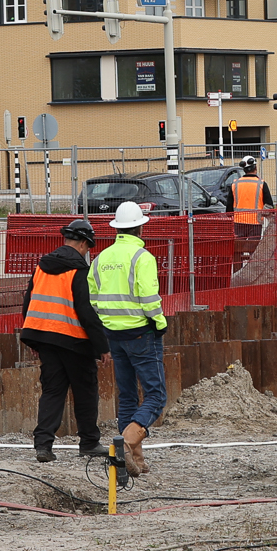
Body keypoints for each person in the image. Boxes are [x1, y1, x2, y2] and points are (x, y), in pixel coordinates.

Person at [20, 218, 109, 463]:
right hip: (74, 341)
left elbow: (29, 303)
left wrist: (34, 341)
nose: (87, 253)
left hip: (44, 338)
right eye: (87, 248)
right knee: (85, 391)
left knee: (52, 391)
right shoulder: (78, 269)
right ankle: (89, 442)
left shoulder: (42, 266)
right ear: (83, 243)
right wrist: (102, 347)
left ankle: (43, 446)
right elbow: (85, 310)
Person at [90, 201, 167, 475]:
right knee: (156, 396)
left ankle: (135, 460)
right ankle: (126, 443)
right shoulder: (141, 257)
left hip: (113, 334)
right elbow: (149, 298)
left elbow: (94, 299)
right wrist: (159, 323)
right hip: (141, 332)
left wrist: (110, 323)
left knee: (127, 397)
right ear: (140, 227)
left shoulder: (101, 259)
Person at [230, 155, 268, 256]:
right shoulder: (261, 184)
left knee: (237, 251)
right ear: (255, 168)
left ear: (244, 170)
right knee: (253, 252)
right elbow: (269, 205)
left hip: (238, 222)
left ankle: (237, 271)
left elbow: (229, 207)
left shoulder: (235, 184)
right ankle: (252, 271)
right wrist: (264, 215)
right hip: (255, 223)